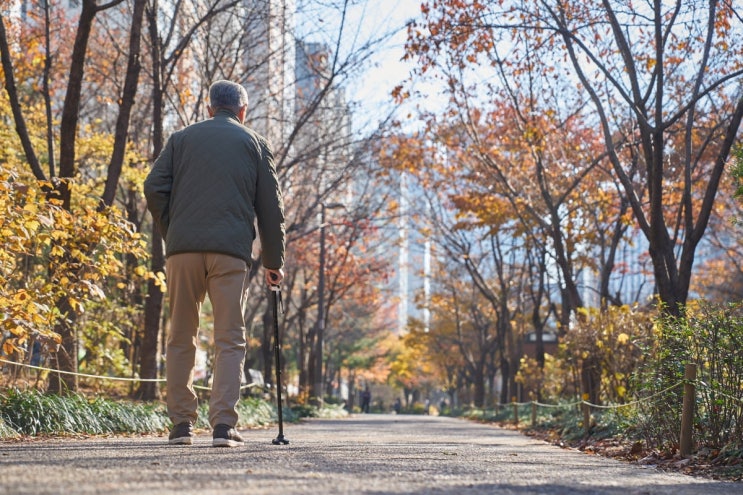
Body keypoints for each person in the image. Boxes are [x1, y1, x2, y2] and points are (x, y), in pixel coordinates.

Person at [144, 80, 285, 447]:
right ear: (242, 111)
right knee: (229, 338)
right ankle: (223, 426)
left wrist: (172, 231)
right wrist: (273, 261)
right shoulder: (254, 143)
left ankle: (181, 425)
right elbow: (271, 208)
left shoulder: (180, 139)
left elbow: (153, 187)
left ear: (209, 109)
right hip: (230, 253)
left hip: (182, 251)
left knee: (180, 335)